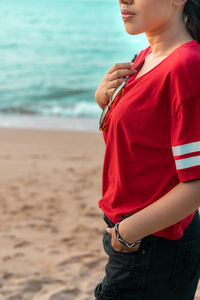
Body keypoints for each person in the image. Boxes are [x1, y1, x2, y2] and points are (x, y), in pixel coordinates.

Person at [94, 0, 200, 299]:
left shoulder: (187, 66)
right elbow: (141, 144)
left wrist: (127, 234)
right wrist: (104, 100)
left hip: (154, 242)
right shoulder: (145, 57)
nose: (123, 0)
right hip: (135, 236)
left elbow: (196, 182)